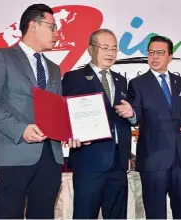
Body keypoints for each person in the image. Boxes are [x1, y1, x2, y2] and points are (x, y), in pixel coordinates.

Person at [0, 4, 72, 219]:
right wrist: (21, 130)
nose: (57, 33)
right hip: (14, 152)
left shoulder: (54, 68)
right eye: (52, 27)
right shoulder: (2, 56)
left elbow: (57, 109)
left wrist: (72, 132)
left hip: (50, 156)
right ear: (34, 25)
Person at [115, 35, 181, 219]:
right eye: (151, 52)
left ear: (170, 56)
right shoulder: (137, 83)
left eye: (160, 53)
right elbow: (136, 114)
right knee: (155, 213)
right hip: (153, 159)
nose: (154, 57)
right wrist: (131, 114)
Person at [62, 29, 132, 219]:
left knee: (117, 215)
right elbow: (63, 114)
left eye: (114, 49)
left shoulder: (121, 80)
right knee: (85, 214)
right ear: (90, 49)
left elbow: (125, 118)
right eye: (105, 48)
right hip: (89, 161)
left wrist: (131, 114)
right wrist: (69, 133)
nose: (110, 53)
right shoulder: (73, 78)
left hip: (118, 162)